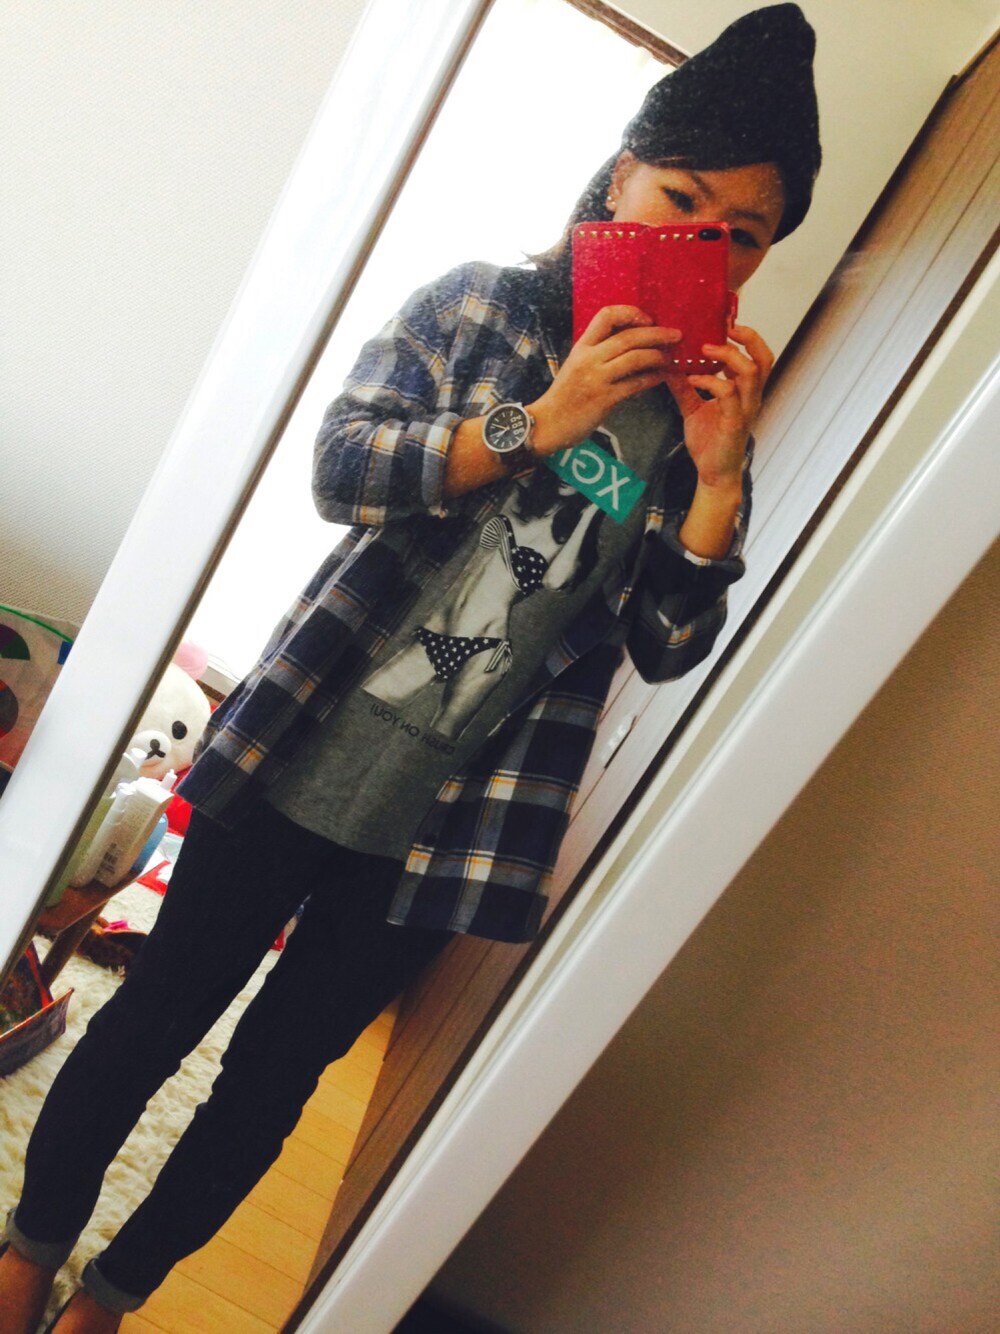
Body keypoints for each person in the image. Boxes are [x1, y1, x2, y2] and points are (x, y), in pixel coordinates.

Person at [0, 5, 821, 1329]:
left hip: (454, 834)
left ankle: (112, 1296)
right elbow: (342, 468)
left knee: (269, 1087)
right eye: (681, 200)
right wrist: (539, 418)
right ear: (621, 175)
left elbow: (668, 646)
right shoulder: (481, 306)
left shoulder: (700, 421)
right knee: (152, 1019)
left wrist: (720, 483)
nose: (703, 245)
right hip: (297, 747)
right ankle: (30, 1248)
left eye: (743, 232)